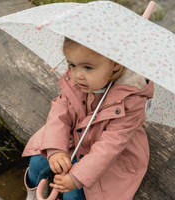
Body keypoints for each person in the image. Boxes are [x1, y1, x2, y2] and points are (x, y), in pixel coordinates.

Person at [22, 37, 154, 200]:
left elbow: (112, 144)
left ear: (115, 65)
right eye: (72, 65)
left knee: (74, 193)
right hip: (76, 135)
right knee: (37, 162)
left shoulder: (131, 100)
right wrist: (56, 149)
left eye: (88, 67)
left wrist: (77, 176)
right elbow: (59, 115)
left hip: (108, 155)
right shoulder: (75, 81)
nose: (78, 75)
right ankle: (33, 195)